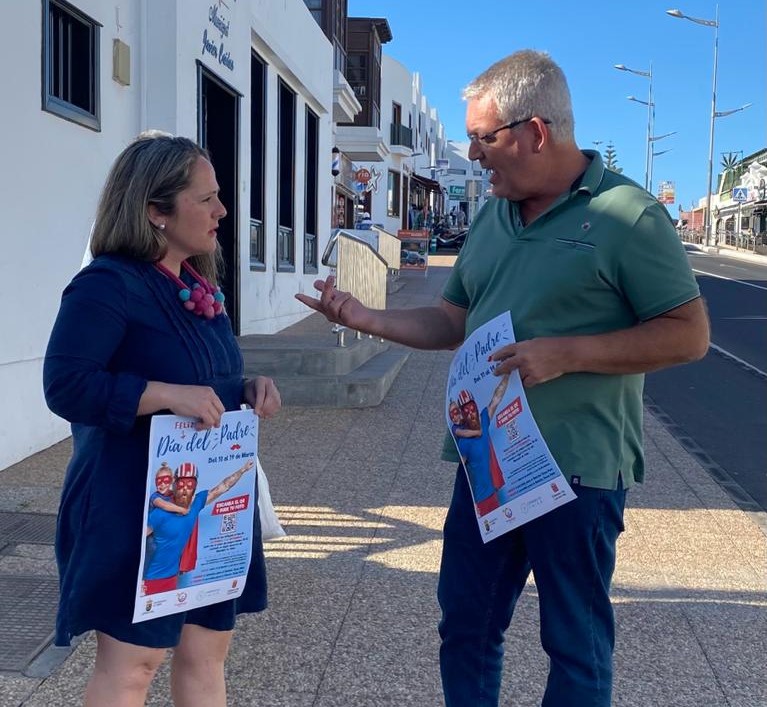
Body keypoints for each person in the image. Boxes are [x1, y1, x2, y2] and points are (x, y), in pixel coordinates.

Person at [296, 50, 709, 707]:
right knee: (466, 625)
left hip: (578, 470)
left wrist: (567, 354)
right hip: (486, 459)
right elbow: (450, 320)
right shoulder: (492, 215)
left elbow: (688, 334)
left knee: (574, 645)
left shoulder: (626, 215)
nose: (473, 154)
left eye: (483, 138)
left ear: (535, 132)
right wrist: (364, 316)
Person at [44, 131, 281, 707]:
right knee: (134, 666)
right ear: (156, 210)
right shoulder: (106, 285)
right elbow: (66, 385)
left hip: (210, 506)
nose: (222, 211)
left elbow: (200, 377)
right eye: (206, 198)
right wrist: (163, 394)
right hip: (132, 503)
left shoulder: (199, 287)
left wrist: (246, 388)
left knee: (207, 654)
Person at [143, 459, 254, 595]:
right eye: (181, 484)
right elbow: (138, 541)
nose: (185, 489)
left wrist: (242, 470)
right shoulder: (160, 513)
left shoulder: (197, 503)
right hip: (150, 578)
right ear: (174, 485)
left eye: (190, 485)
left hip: (172, 577)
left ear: (194, 488)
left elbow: (224, 486)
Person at [453, 375, 509, 516]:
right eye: (467, 411)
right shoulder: (464, 442)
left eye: (472, 409)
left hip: (494, 492)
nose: (471, 414)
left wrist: (507, 375)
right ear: (463, 415)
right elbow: (463, 474)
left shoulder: (484, 420)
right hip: (481, 499)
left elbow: (496, 399)